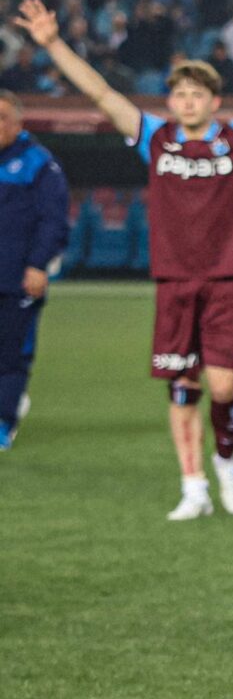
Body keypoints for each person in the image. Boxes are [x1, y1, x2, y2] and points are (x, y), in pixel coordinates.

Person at [14, 0, 233, 508]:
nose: (187, 101)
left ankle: (227, 463)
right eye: (180, 94)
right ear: (171, 103)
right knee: (182, 386)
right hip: (173, 282)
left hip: (227, 281)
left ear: (214, 102)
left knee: (226, 385)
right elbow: (100, 92)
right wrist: (53, 43)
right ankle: (193, 487)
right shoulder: (155, 139)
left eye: (198, 94)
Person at [0, 94, 68, 451]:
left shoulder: (39, 164)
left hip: (16, 278)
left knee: (11, 354)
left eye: (1, 118)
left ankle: (3, 422)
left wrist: (39, 265)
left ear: (18, 123)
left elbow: (54, 222)